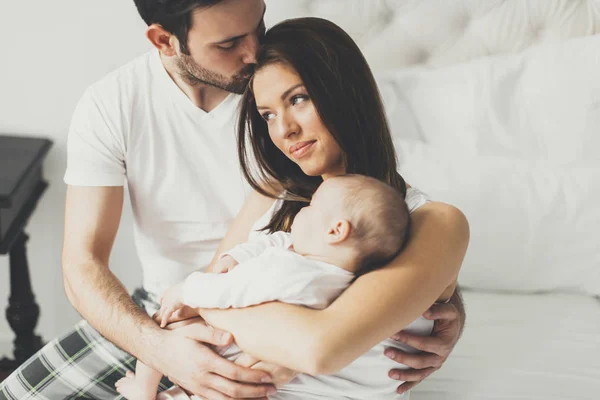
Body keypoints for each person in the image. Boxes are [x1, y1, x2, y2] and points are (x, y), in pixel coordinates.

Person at [0, 2, 467, 399]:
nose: (282, 129)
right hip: (173, 325)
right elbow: (91, 266)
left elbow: (317, 347)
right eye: (267, 114)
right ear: (165, 40)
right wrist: (168, 341)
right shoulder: (274, 189)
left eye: (300, 99)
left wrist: (204, 303)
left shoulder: (433, 219)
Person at [115, 174, 418, 399]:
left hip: (229, 352)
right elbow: (275, 241)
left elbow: (232, 289)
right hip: (248, 365)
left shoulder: (292, 270)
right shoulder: (335, 278)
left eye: (311, 207)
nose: (301, 211)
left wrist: (186, 290)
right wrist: (237, 254)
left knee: (159, 326)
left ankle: (143, 391)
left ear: (336, 230)